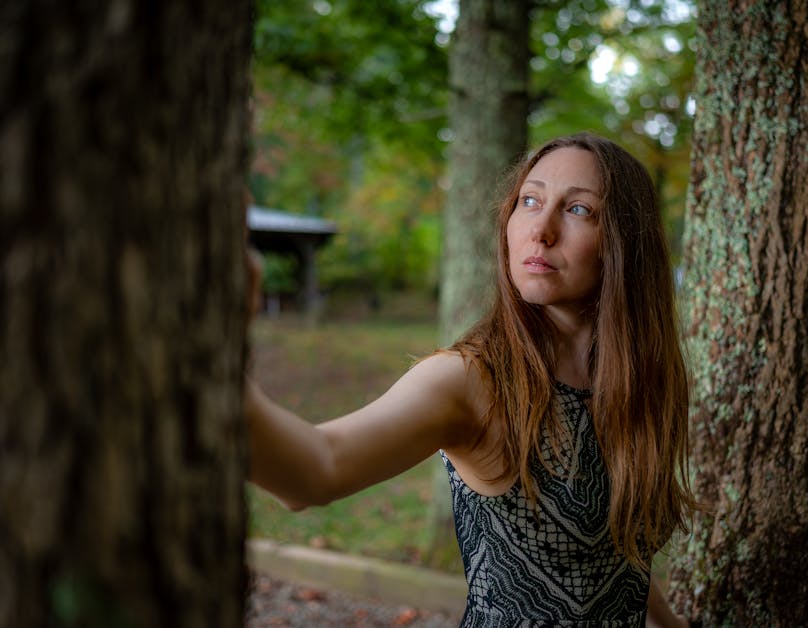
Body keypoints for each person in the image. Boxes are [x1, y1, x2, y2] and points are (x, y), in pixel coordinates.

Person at [245, 132, 695, 627]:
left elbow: (607, 556)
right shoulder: (470, 380)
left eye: (578, 210)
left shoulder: (643, 379)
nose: (541, 229)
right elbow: (313, 472)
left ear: (624, 243)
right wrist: (208, 365)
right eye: (530, 200)